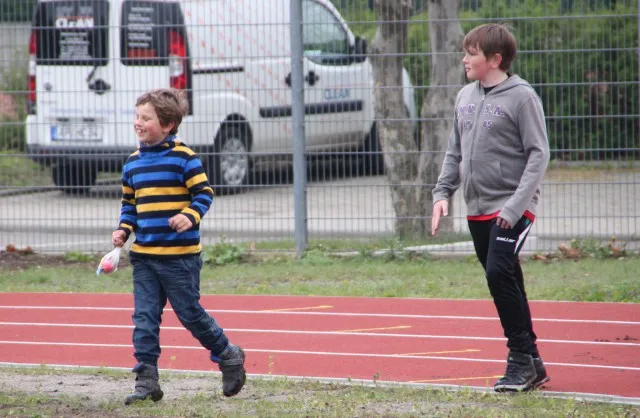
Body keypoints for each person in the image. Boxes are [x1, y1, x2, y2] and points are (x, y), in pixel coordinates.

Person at [431, 23, 551, 392]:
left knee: (498, 273)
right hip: (477, 207)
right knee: (506, 277)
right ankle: (534, 362)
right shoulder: (464, 96)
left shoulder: (522, 97)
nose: (464, 59)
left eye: (472, 53)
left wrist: (514, 208)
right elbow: (454, 151)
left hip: (512, 207)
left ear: (495, 59)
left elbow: (538, 154)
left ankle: (519, 361)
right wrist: (442, 193)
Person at [111, 88, 246, 405]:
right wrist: (123, 230)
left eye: (146, 118)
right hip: (144, 258)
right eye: (137, 116)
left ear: (168, 124)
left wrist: (190, 215)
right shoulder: (132, 163)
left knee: (190, 315)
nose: (138, 123)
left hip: (180, 259)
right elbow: (130, 205)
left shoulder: (185, 158)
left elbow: (204, 194)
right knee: (144, 320)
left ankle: (228, 355)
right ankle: (147, 382)